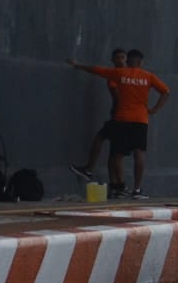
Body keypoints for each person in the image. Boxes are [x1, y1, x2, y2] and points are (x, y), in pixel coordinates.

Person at [68, 48, 169, 199]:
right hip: (141, 119)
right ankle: (137, 189)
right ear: (141, 62)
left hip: (122, 118)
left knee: (118, 155)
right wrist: (154, 110)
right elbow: (166, 92)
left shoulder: (120, 74)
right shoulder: (148, 76)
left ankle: (120, 186)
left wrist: (78, 65)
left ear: (128, 61)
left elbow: (97, 70)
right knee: (139, 153)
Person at [71, 47, 125, 182]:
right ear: (113, 60)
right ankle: (115, 185)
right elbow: (96, 70)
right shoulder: (116, 75)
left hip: (120, 116)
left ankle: (90, 169)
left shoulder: (118, 76)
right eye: (117, 57)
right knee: (114, 153)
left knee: (102, 140)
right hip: (122, 116)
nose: (120, 60)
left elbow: (117, 96)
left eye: (122, 57)